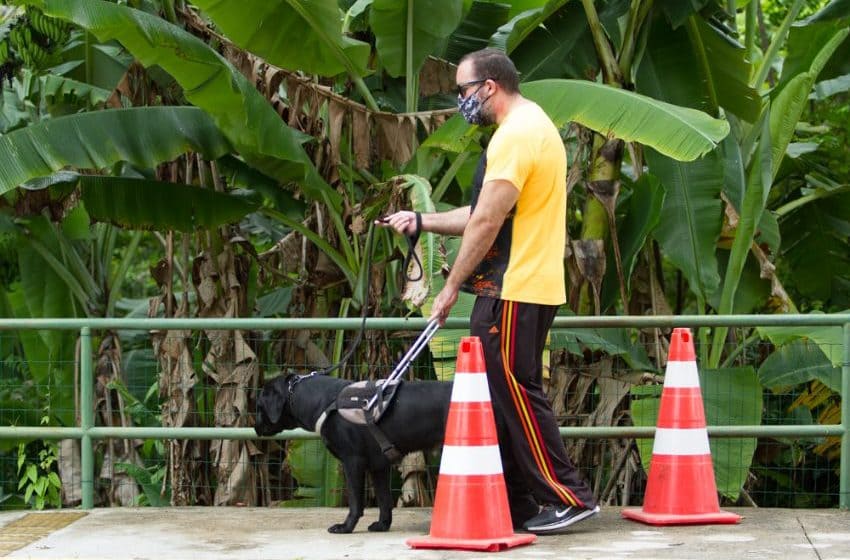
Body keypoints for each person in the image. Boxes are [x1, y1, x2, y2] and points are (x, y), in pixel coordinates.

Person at [377, 48, 599, 534]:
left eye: (463, 90)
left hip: (514, 286)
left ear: (490, 86)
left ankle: (568, 495)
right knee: (503, 394)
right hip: (520, 285)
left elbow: (487, 221)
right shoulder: (529, 126)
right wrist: (422, 220)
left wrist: (450, 285)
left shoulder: (517, 136)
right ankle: (519, 501)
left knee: (517, 392)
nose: (461, 100)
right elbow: (481, 212)